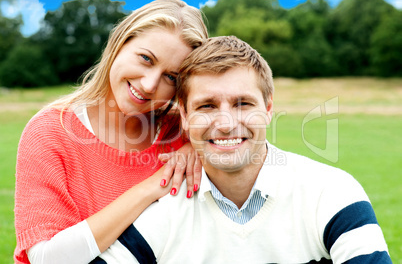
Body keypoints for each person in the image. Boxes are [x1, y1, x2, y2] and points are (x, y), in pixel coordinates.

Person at [96, 36, 392, 263]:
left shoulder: (330, 193)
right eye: (207, 106)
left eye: (243, 103)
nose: (225, 124)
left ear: (269, 108)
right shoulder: (162, 213)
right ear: (184, 116)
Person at [14, 0, 208, 264]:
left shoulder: (184, 131)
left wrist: (198, 146)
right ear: (120, 43)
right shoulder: (50, 131)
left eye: (171, 77)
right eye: (146, 59)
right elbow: (48, 258)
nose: (150, 84)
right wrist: (151, 187)